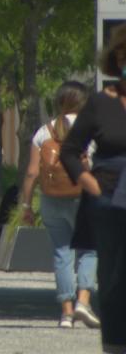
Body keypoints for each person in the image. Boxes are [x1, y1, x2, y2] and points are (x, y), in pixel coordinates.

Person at [61, 24, 126, 353]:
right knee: (114, 277)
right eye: (123, 55)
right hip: (109, 197)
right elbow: (70, 150)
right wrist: (89, 183)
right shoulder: (101, 103)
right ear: (116, 60)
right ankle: (115, 344)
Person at [19, 81, 99, 329]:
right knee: (90, 250)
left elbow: (32, 172)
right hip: (84, 197)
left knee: (62, 252)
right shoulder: (92, 130)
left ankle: (66, 313)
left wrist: (26, 206)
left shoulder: (43, 133)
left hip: (51, 199)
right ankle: (82, 302)